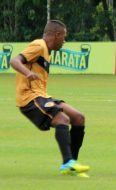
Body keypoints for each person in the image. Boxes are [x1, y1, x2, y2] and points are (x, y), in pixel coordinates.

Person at [10, 20, 90, 178]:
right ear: (57, 35)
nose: (64, 41)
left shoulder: (46, 51)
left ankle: (72, 164)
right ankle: (68, 163)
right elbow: (14, 60)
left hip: (42, 96)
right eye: (64, 37)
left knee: (79, 118)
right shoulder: (39, 45)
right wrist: (28, 74)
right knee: (62, 119)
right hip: (29, 98)